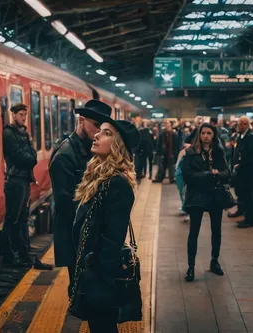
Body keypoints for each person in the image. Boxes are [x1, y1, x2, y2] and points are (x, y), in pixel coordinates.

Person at [71, 120, 141, 332]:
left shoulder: (117, 184)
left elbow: (113, 239)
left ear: (118, 145)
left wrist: (98, 282)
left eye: (106, 133)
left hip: (101, 277)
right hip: (93, 272)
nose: (97, 136)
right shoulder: (101, 178)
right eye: (99, 131)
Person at [49, 99, 111, 287]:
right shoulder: (65, 155)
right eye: (96, 126)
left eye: (103, 129)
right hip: (75, 236)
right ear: (81, 120)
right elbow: (66, 204)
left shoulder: (88, 149)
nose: (99, 133)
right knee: (80, 289)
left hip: (90, 233)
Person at [2, 103, 52, 270]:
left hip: (23, 180)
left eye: (25, 114)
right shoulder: (9, 133)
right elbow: (24, 158)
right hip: (15, 181)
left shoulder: (23, 133)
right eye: (21, 115)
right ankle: (10, 256)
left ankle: (25, 254)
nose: (24, 118)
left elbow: (32, 155)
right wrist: (31, 156)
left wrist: (31, 156)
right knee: (12, 220)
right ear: (14, 115)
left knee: (22, 219)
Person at [182, 123, 229, 282]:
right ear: (199, 134)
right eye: (203, 133)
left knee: (217, 230)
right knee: (194, 231)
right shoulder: (190, 152)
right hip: (197, 196)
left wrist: (217, 174)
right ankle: (191, 267)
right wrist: (209, 174)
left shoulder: (218, 151)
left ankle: (214, 261)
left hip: (215, 195)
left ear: (214, 135)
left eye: (209, 133)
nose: (206, 136)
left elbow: (226, 173)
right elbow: (187, 175)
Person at [230, 116, 253, 228]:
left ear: (245, 125)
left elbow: (252, 157)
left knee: (250, 197)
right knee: (245, 196)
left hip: (249, 173)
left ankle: (249, 220)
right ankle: (246, 217)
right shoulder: (243, 136)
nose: (237, 127)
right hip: (243, 172)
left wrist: (240, 164)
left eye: (239, 124)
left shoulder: (251, 137)